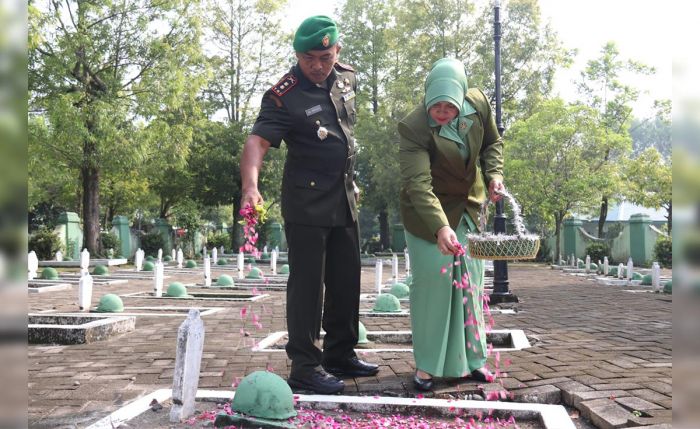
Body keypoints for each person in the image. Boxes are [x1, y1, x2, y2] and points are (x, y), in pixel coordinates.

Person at [239, 15, 378, 395]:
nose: (317, 66)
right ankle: (304, 364)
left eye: (324, 57)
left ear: (337, 51)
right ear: (297, 55)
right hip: (306, 203)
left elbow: (342, 131)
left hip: (344, 196)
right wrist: (251, 188)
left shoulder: (347, 78)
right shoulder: (283, 95)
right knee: (307, 286)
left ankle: (340, 353)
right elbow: (257, 143)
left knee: (347, 279)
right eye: (308, 58)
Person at [397, 58, 505, 391]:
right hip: (427, 213)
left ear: (461, 98)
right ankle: (427, 367)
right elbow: (418, 183)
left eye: (450, 106)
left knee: (470, 283)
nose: (442, 112)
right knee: (434, 282)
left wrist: (495, 175)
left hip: (469, 207)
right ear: (427, 97)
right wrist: (440, 227)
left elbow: (492, 144)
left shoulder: (479, 104)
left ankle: (474, 361)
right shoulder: (413, 126)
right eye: (436, 106)